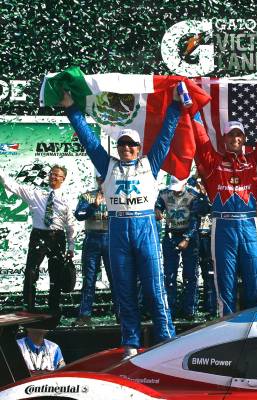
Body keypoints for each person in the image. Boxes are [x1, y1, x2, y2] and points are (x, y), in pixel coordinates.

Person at [61, 88, 182, 357]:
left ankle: (166, 338)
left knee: (154, 287)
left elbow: (166, 135)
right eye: (122, 144)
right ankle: (130, 342)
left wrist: (174, 106)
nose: (126, 148)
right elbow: (88, 139)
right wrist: (71, 108)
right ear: (117, 147)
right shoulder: (108, 166)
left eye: (132, 145)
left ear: (139, 148)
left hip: (145, 229)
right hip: (117, 231)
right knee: (124, 290)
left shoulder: (150, 163)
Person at [194, 82, 257, 316]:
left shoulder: (255, 161)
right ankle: (225, 323)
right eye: (231, 135)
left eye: (239, 135)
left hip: (248, 224)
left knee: (255, 274)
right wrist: (191, 104)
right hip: (223, 224)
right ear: (224, 139)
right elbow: (198, 135)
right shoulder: (213, 163)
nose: (236, 138)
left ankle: (256, 320)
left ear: (244, 139)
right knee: (224, 278)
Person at [0, 165, 75, 316]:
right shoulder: (36, 193)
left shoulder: (67, 198)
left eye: (57, 175)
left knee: (56, 274)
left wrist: (71, 246)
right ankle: (28, 306)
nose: (54, 177)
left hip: (58, 237)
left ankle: (53, 307)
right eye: (52, 174)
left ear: (63, 179)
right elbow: (12, 185)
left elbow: (70, 225)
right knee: (31, 271)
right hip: (39, 236)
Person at [156, 176, 209, 319]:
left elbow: (196, 218)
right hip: (171, 235)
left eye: (179, 189)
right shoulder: (164, 193)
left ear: (184, 184)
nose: (176, 192)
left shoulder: (193, 195)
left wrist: (187, 237)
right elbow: (158, 204)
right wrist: (157, 210)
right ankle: (171, 308)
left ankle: (189, 309)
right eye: (174, 188)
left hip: (190, 237)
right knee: (169, 274)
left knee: (190, 275)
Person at [72, 173, 117, 327]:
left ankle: (121, 314)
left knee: (116, 279)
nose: (102, 181)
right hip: (92, 238)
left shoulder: (117, 194)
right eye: (100, 179)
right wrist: (94, 207)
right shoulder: (87, 196)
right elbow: (79, 215)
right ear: (97, 180)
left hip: (111, 239)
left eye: (105, 178)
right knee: (89, 278)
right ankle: (84, 315)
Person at [190, 177, 217, 316]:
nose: (202, 185)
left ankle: (211, 307)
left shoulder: (216, 192)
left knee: (210, 274)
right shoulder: (193, 192)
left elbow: (210, 209)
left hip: (212, 238)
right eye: (200, 182)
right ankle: (196, 307)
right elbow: (198, 211)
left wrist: (206, 195)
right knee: (194, 272)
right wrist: (200, 193)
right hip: (197, 238)